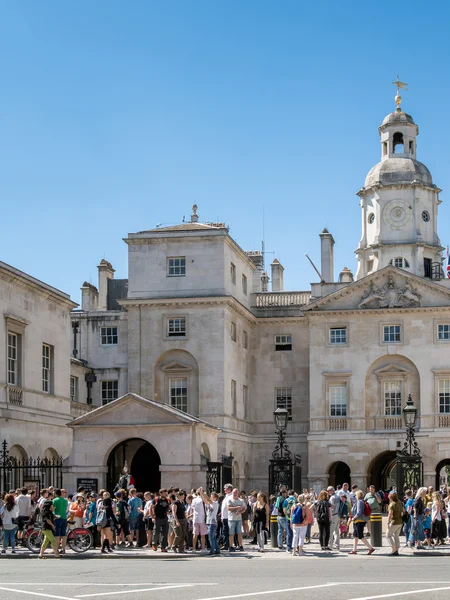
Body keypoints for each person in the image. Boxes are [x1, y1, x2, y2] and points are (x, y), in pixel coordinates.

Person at [349, 490, 375, 555]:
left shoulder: (359, 502)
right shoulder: (361, 501)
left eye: (355, 495)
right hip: (358, 520)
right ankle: (354, 550)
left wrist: (353, 518)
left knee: (360, 536)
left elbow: (359, 512)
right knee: (355, 536)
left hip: (359, 520)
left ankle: (370, 548)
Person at [190, 487, 209, 553]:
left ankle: (194, 548)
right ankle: (203, 548)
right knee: (202, 535)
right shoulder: (202, 499)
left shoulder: (194, 500)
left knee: (195, 534)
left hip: (195, 518)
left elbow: (192, 507)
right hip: (202, 518)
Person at [226, 488, 245, 552]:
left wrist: (240, 512)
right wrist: (237, 507)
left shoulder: (241, 500)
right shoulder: (230, 499)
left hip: (238, 519)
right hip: (231, 519)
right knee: (231, 533)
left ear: (238, 493)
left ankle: (240, 545)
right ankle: (231, 546)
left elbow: (244, 509)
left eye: (236, 492)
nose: (235, 493)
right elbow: (228, 508)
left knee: (239, 533)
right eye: (234, 492)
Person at [386, 491, 403, 556]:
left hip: (394, 522)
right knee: (396, 536)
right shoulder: (400, 503)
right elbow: (402, 512)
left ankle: (394, 549)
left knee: (388, 535)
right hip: (400, 522)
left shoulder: (391, 504)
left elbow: (390, 514)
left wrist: (388, 522)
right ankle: (397, 550)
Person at [52, 488, 68, 554]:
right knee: (63, 535)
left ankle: (56, 550)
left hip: (57, 518)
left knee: (57, 535)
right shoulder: (65, 500)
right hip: (64, 518)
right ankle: (63, 549)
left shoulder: (55, 500)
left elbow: (53, 509)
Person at [205, 491, 220, 555]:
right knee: (213, 537)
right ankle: (217, 549)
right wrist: (201, 493)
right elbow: (205, 500)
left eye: (212, 496)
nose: (210, 497)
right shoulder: (210, 503)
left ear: (215, 498)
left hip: (212, 522)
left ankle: (212, 550)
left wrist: (204, 493)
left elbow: (207, 499)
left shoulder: (215, 503)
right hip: (209, 522)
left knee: (211, 537)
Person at [220, 484, 233, 550]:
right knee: (225, 531)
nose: (224, 489)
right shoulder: (226, 496)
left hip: (228, 517)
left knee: (226, 531)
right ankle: (226, 544)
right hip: (224, 516)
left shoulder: (231, 496)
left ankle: (227, 545)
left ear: (229, 489)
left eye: (225, 488)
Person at [328, 486, 341, 551]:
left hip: (333, 515)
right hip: (337, 515)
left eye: (328, 491)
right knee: (336, 531)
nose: (328, 492)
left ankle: (330, 545)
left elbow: (331, 507)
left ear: (332, 491)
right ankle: (337, 545)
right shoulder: (338, 496)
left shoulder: (332, 498)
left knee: (331, 530)